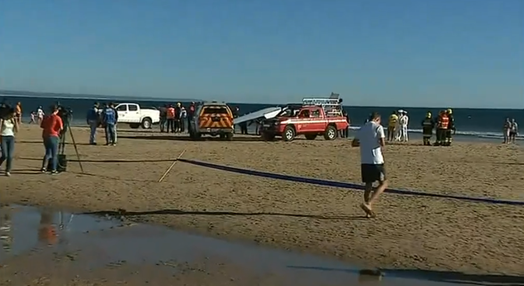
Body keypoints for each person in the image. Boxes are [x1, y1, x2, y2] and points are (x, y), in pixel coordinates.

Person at [351, 112, 388, 218]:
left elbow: (354, 143)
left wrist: (364, 143)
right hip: (376, 160)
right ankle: (369, 203)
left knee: (368, 185)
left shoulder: (363, 128)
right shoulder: (378, 127)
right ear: (377, 119)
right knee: (384, 183)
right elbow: (382, 143)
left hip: (365, 160)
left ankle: (368, 212)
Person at [40, 105, 63, 174]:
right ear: (56, 110)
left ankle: (44, 167)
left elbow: (42, 126)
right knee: (54, 153)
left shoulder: (46, 117)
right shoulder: (57, 118)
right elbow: (61, 128)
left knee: (48, 152)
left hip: (45, 135)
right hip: (53, 135)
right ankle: (53, 169)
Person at [0, 108, 19, 176]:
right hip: (3, 136)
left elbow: (17, 130)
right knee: (5, 155)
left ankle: (7, 170)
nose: (14, 115)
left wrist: (16, 121)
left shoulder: (13, 120)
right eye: (14, 114)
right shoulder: (2, 119)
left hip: (11, 137)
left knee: (10, 156)